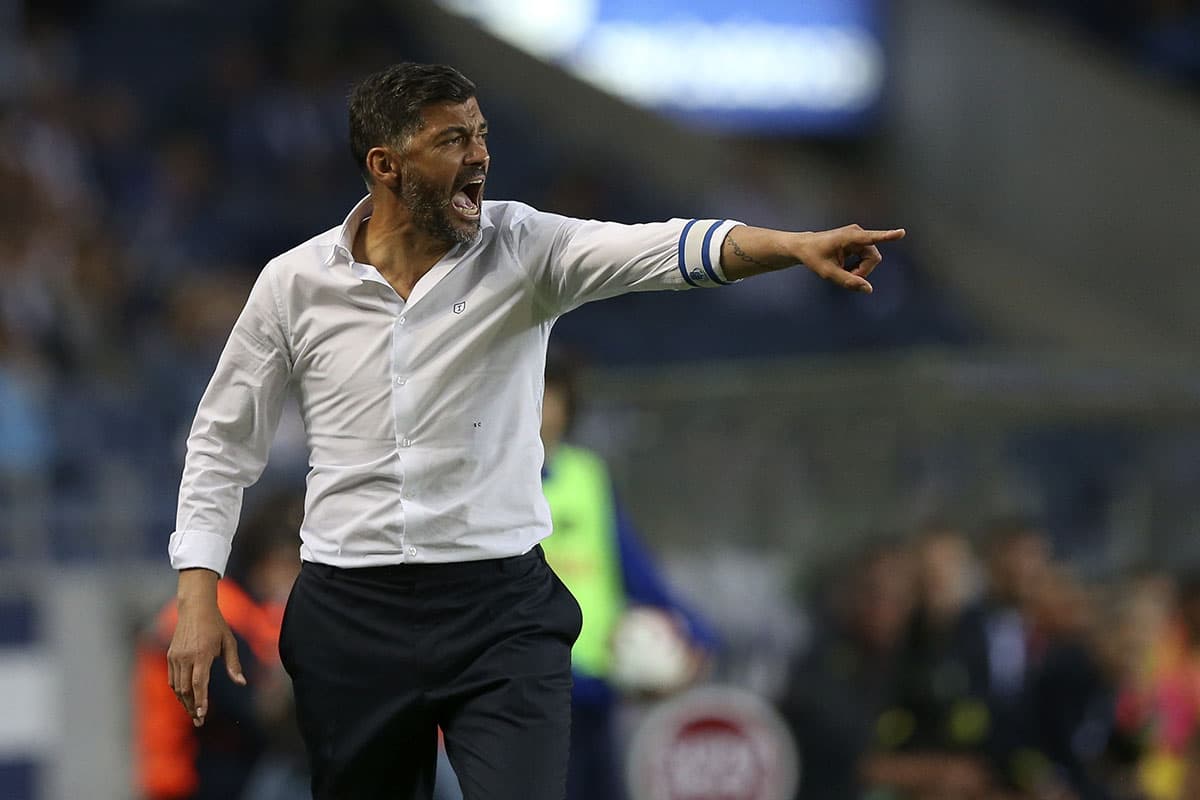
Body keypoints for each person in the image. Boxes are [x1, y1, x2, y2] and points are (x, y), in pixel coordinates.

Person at [164, 61, 906, 800]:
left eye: (481, 134)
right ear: (385, 165)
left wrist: (790, 246)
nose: (480, 155)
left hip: (501, 614)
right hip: (351, 616)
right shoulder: (294, 283)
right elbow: (222, 442)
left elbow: (666, 250)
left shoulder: (526, 247)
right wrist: (198, 596)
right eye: (453, 140)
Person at [538, 348, 719, 800]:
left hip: (595, 692)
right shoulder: (490, 483)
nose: (535, 407)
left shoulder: (587, 476)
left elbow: (634, 570)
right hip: (530, 692)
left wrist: (697, 637)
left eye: (546, 394)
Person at [135, 490, 305, 800]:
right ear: (266, 562)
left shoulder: (242, 608)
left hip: (207, 764)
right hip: (198, 774)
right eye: (290, 564)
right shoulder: (218, 613)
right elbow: (253, 713)